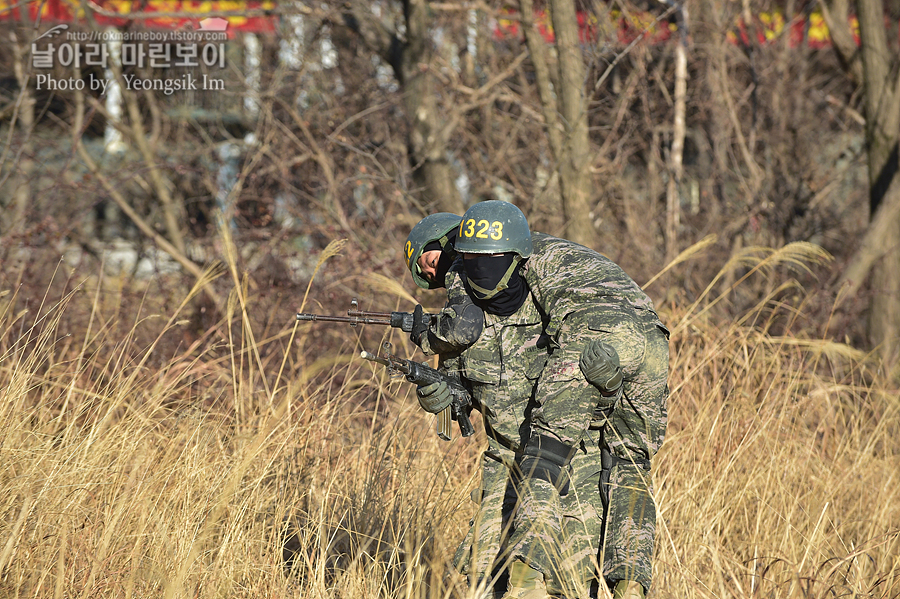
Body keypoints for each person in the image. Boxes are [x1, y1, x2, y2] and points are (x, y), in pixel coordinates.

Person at [415, 200, 669, 599]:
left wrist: (611, 383)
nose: (448, 272)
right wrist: (440, 397)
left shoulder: (541, 295)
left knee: (553, 583)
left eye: (443, 259)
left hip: (567, 472)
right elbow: (462, 398)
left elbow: (582, 398)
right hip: (503, 474)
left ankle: (625, 582)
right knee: (488, 586)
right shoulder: (461, 325)